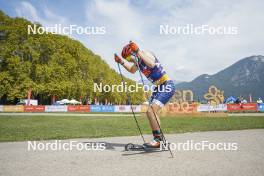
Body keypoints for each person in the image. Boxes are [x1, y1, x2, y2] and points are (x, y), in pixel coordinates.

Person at [114, 41, 176, 148]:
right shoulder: (138, 60)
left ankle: (158, 140)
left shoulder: (145, 53)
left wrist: (138, 51)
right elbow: (132, 70)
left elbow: (151, 64)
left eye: (129, 58)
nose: (130, 60)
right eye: (127, 60)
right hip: (158, 87)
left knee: (151, 110)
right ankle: (160, 139)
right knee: (150, 113)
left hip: (166, 84)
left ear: (133, 53)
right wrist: (121, 62)